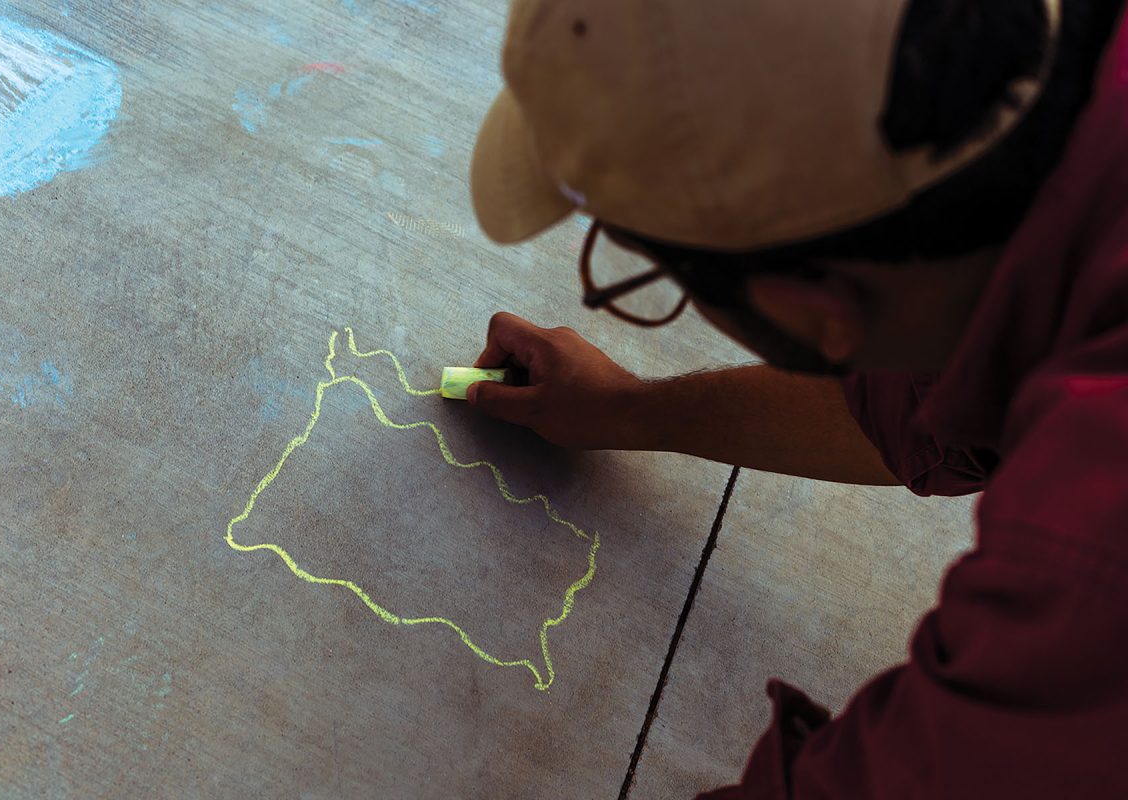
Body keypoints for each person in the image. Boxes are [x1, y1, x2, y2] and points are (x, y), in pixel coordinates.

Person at [465, 0, 1128, 797]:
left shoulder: (1087, 572)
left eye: (648, 275)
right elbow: (923, 404)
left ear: (818, 313)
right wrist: (629, 410)